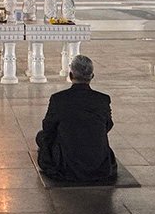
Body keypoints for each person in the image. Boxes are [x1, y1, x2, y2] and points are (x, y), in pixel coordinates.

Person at [35, 54, 117, 182]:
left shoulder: (59, 99)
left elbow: (48, 127)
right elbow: (108, 125)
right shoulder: (102, 99)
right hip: (98, 166)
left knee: (41, 137)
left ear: (71, 76)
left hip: (68, 167)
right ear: (92, 76)